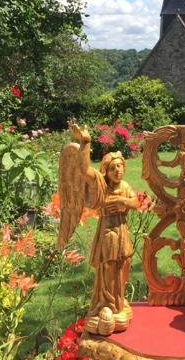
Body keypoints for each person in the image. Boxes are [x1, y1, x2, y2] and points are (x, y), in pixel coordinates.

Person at [70, 124, 140, 335]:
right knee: (109, 269)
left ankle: (118, 302)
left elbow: (136, 201)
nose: (117, 170)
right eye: (113, 168)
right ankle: (106, 305)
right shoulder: (101, 185)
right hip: (108, 233)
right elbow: (84, 170)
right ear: (106, 171)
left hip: (122, 232)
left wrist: (124, 202)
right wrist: (85, 143)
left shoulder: (124, 186)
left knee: (123, 266)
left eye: (120, 166)